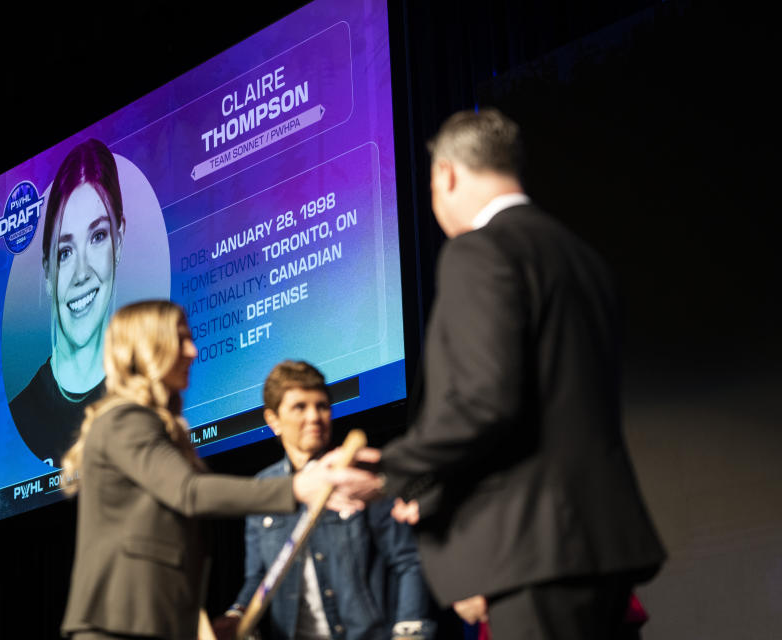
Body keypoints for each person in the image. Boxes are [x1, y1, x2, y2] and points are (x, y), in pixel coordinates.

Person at [341, 109, 666, 638]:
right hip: (604, 545)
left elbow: (485, 402)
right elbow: (540, 413)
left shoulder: (477, 250)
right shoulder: (583, 257)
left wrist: (390, 471)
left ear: (445, 174)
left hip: (533, 550)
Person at [59, 301, 360, 640]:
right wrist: (296, 488)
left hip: (150, 622)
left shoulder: (144, 424)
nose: (193, 350)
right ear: (147, 347)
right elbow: (190, 492)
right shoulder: (125, 419)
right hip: (119, 625)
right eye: (181, 339)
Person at [213, 361, 434, 640]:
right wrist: (237, 614)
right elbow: (258, 579)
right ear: (273, 421)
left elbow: (408, 561)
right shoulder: (264, 489)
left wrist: (409, 632)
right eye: (299, 407)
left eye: (322, 406)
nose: (314, 417)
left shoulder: (357, 475)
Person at [10, 138, 125, 467]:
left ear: (119, 241)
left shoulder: (149, 397)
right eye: (64, 252)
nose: (81, 273)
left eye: (98, 237)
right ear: (47, 272)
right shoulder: (20, 416)